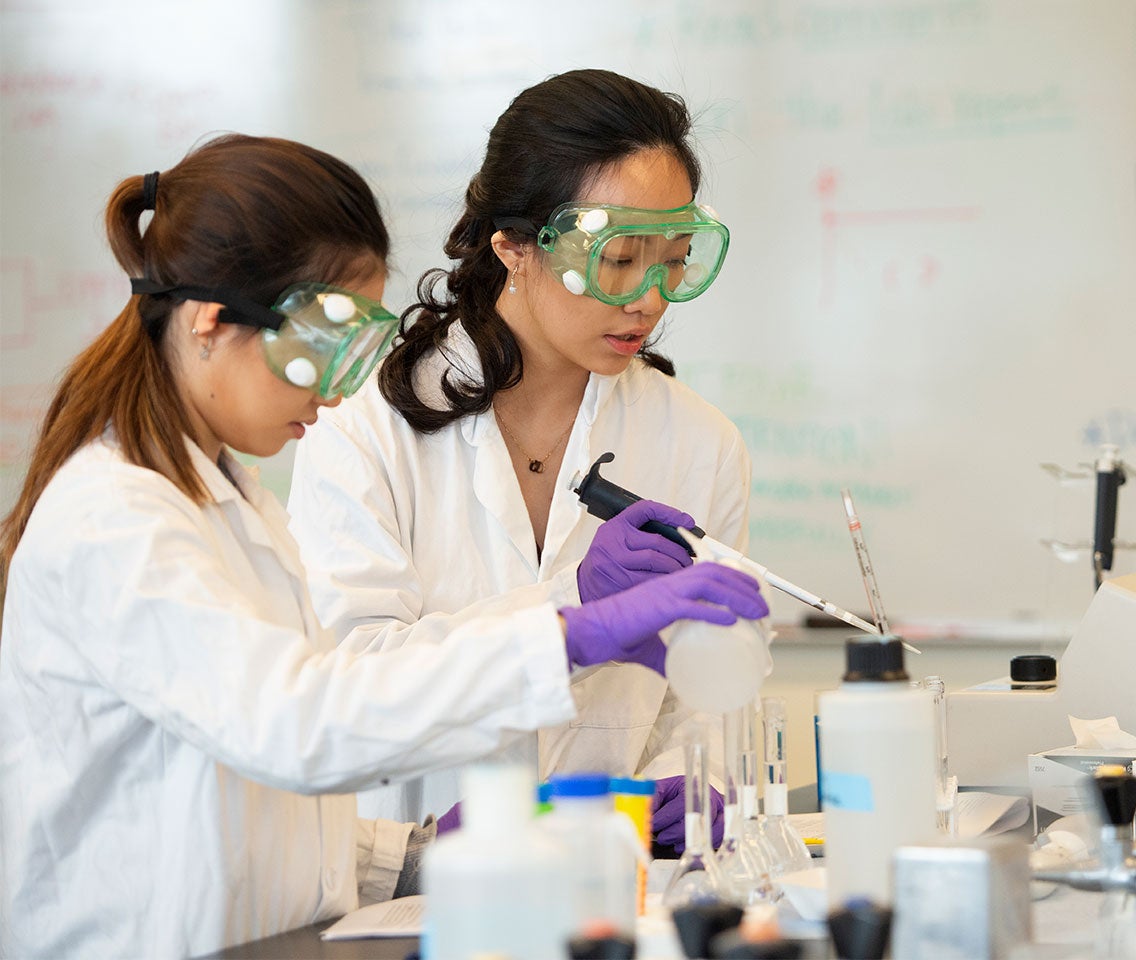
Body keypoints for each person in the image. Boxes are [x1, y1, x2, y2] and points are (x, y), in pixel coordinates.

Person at [0, 133, 768, 958]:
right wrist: (566, 633)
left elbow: (262, 798)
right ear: (209, 323)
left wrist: (414, 856)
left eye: (353, 347)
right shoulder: (115, 521)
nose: (335, 392)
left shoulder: (230, 506)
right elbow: (297, 725)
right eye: (318, 347)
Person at [287, 69, 758, 849]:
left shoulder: (700, 443)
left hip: (619, 872)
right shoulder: (365, 426)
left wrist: (693, 773)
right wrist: (571, 607)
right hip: (414, 878)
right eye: (618, 258)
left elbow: (711, 680)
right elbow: (350, 679)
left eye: (674, 259)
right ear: (512, 246)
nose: (649, 298)